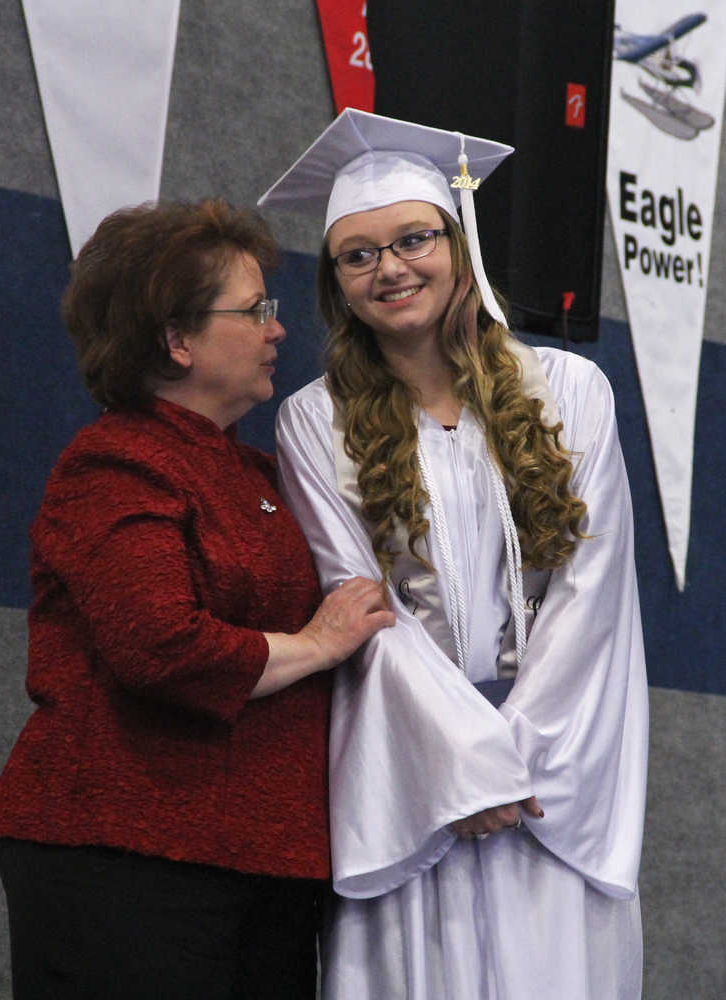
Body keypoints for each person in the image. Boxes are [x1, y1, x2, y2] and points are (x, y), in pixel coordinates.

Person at [258, 109, 649, 999]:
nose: (389, 268)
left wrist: (518, 759)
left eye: (412, 239)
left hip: (551, 776)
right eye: (357, 255)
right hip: (411, 776)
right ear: (335, 281)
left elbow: (593, 595)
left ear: (456, 242)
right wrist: (462, 765)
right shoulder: (315, 421)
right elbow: (354, 600)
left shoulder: (568, 391)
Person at [0, 197, 395, 1000]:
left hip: (260, 860)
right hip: (126, 857)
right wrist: (318, 642)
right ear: (176, 339)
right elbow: (160, 645)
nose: (278, 329)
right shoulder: (114, 463)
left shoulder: (258, 474)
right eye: (253, 310)